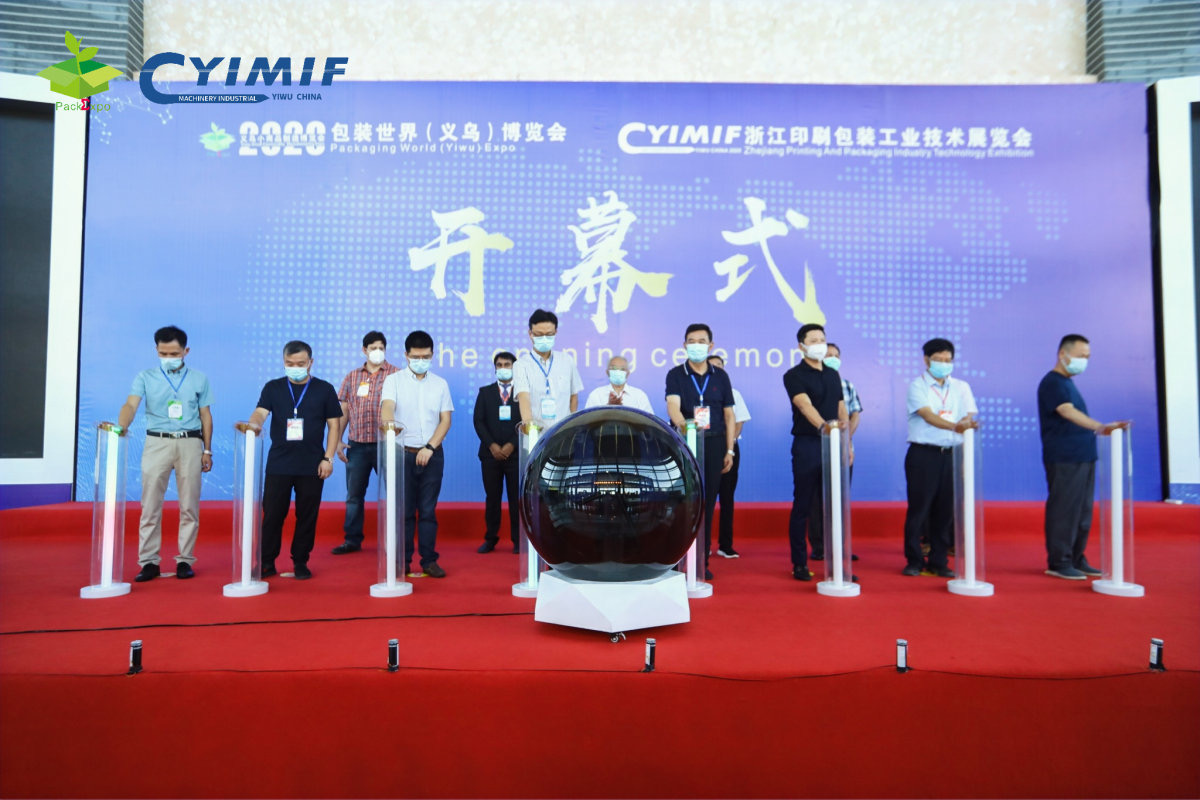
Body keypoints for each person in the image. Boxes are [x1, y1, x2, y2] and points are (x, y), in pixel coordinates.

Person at [117, 325, 213, 582]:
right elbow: (130, 404)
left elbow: (206, 415)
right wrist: (122, 426)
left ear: (186, 351)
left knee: (189, 505)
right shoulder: (145, 377)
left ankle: (185, 560)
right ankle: (149, 561)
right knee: (149, 505)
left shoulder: (199, 379)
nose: (168, 358)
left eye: (174, 354)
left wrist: (207, 449)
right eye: (163, 353)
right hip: (156, 442)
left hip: (190, 442)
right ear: (156, 350)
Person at [248, 341, 342, 580]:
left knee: (307, 515)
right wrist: (253, 425)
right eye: (290, 363)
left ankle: (300, 561)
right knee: (272, 515)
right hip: (279, 463)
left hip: (312, 464)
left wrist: (328, 458)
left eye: (300, 364)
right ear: (283, 362)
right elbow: (260, 412)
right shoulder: (273, 387)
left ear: (311, 362)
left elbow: (334, 426)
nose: (295, 368)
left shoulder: (324, 389)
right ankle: (266, 561)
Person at [1037, 334, 1124, 580]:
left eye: (1087, 357)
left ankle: (1076, 557)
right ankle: (1059, 561)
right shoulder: (1052, 382)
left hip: (1084, 456)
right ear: (1062, 354)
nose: (1084, 361)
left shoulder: (1068, 383)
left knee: (1082, 512)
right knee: (1065, 510)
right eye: (1080, 356)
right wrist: (1099, 427)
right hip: (1065, 457)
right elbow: (1066, 411)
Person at [902, 338, 977, 578]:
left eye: (948, 360)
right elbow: (927, 415)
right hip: (924, 454)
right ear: (926, 360)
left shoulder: (961, 387)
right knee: (919, 509)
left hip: (952, 454)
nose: (944, 364)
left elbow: (969, 416)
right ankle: (914, 560)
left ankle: (939, 560)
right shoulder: (918, 386)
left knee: (946, 511)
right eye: (938, 360)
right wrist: (954, 426)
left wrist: (964, 428)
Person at [380, 330, 453, 578]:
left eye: (426, 357)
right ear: (406, 355)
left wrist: (429, 447)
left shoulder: (440, 384)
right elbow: (387, 407)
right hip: (402, 453)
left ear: (432, 355)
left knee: (428, 511)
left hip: (432, 454)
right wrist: (389, 425)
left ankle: (429, 560)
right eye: (416, 357)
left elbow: (445, 420)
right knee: (405, 511)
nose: (421, 361)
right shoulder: (394, 381)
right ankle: (403, 561)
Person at [665, 324, 735, 581]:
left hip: (715, 444)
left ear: (710, 345)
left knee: (707, 502)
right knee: (682, 502)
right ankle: (676, 559)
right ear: (685, 345)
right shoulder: (676, 374)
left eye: (701, 341)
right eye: (691, 341)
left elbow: (729, 414)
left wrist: (730, 449)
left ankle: (700, 561)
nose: (696, 345)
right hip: (685, 442)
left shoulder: (721, 376)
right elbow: (673, 406)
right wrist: (685, 426)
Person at [783, 324, 849, 581]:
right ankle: (799, 563)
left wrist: (845, 440)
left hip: (834, 443)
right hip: (808, 444)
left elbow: (841, 409)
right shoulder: (794, 375)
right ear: (801, 346)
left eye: (822, 339)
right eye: (814, 340)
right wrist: (825, 427)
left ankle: (837, 565)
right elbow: (804, 405)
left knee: (834, 505)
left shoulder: (833, 374)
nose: (819, 344)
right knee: (803, 504)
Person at [332, 331, 399, 555]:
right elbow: (343, 410)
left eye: (381, 348)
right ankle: (352, 540)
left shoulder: (396, 374)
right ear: (364, 350)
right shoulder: (352, 377)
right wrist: (338, 440)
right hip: (357, 444)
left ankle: (395, 540)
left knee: (394, 494)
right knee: (354, 496)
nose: (377, 352)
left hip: (387, 445)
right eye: (373, 348)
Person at [808, 342, 861, 562]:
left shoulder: (847, 385)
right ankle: (819, 546)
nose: (832, 358)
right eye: (828, 354)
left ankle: (839, 547)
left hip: (843, 445)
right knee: (816, 499)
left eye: (836, 355)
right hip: (816, 444)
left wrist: (846, 439)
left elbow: (854, 414)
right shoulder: (811, 383)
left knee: (839, 498)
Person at [473, 351, 522, 554]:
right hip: (490, 455)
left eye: (507, 364)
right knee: (492, 499)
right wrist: (492, 445)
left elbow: (526, 421)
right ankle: (490, 539)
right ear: (495, 368)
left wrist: (512, 444)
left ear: (514, 368)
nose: (503, 368)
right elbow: (478, 421)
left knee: (516, 499)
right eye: (499, 365)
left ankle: (518, 540)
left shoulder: (522, 393)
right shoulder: (485, 392)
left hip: (515, 455)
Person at [707, 354, 750, 558]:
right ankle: (703, 544)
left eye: (720, 366)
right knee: (705, 499)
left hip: (728, 449)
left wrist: (728, 446)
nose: (716, 369)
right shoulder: (700, 393)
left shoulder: (734, 393)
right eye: (712, 366)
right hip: (706, 449)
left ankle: (725, 545)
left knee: (727, 497)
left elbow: (738, 421)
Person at [514, 309, 583, 426]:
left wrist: (569, 426)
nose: (544, 338)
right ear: (530, 334)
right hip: (537, 432)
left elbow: (574, 397)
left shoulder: (567, 360)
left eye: (549, 334)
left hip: (563, 431)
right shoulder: (521, 365)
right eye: (539, 335)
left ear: (555, 332)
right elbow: (523, 398)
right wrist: (530, 427)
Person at [584, 355, 655, 414]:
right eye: (614, 368)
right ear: (607, 372)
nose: (618, 371)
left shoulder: (639, 395)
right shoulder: (596, 394)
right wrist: (607, 408)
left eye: (622, 369)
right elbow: (588, 421)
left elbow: (650, 421)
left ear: (628, 373)